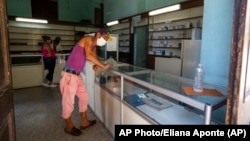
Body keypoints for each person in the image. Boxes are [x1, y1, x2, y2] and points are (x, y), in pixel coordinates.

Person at [60, 29, 111, 136]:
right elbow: (88, 56)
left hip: (77, 75)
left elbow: (94, 58)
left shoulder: (94, 46)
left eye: (107, 39)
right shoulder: (87, 39)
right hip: (69, 75)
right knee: (68, 102)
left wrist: (96, 65)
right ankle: (68, 127)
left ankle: (84, 122)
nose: (105, 41)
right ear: (98, 34)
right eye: (105, 37)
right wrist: (103, 66)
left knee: (84, 97)